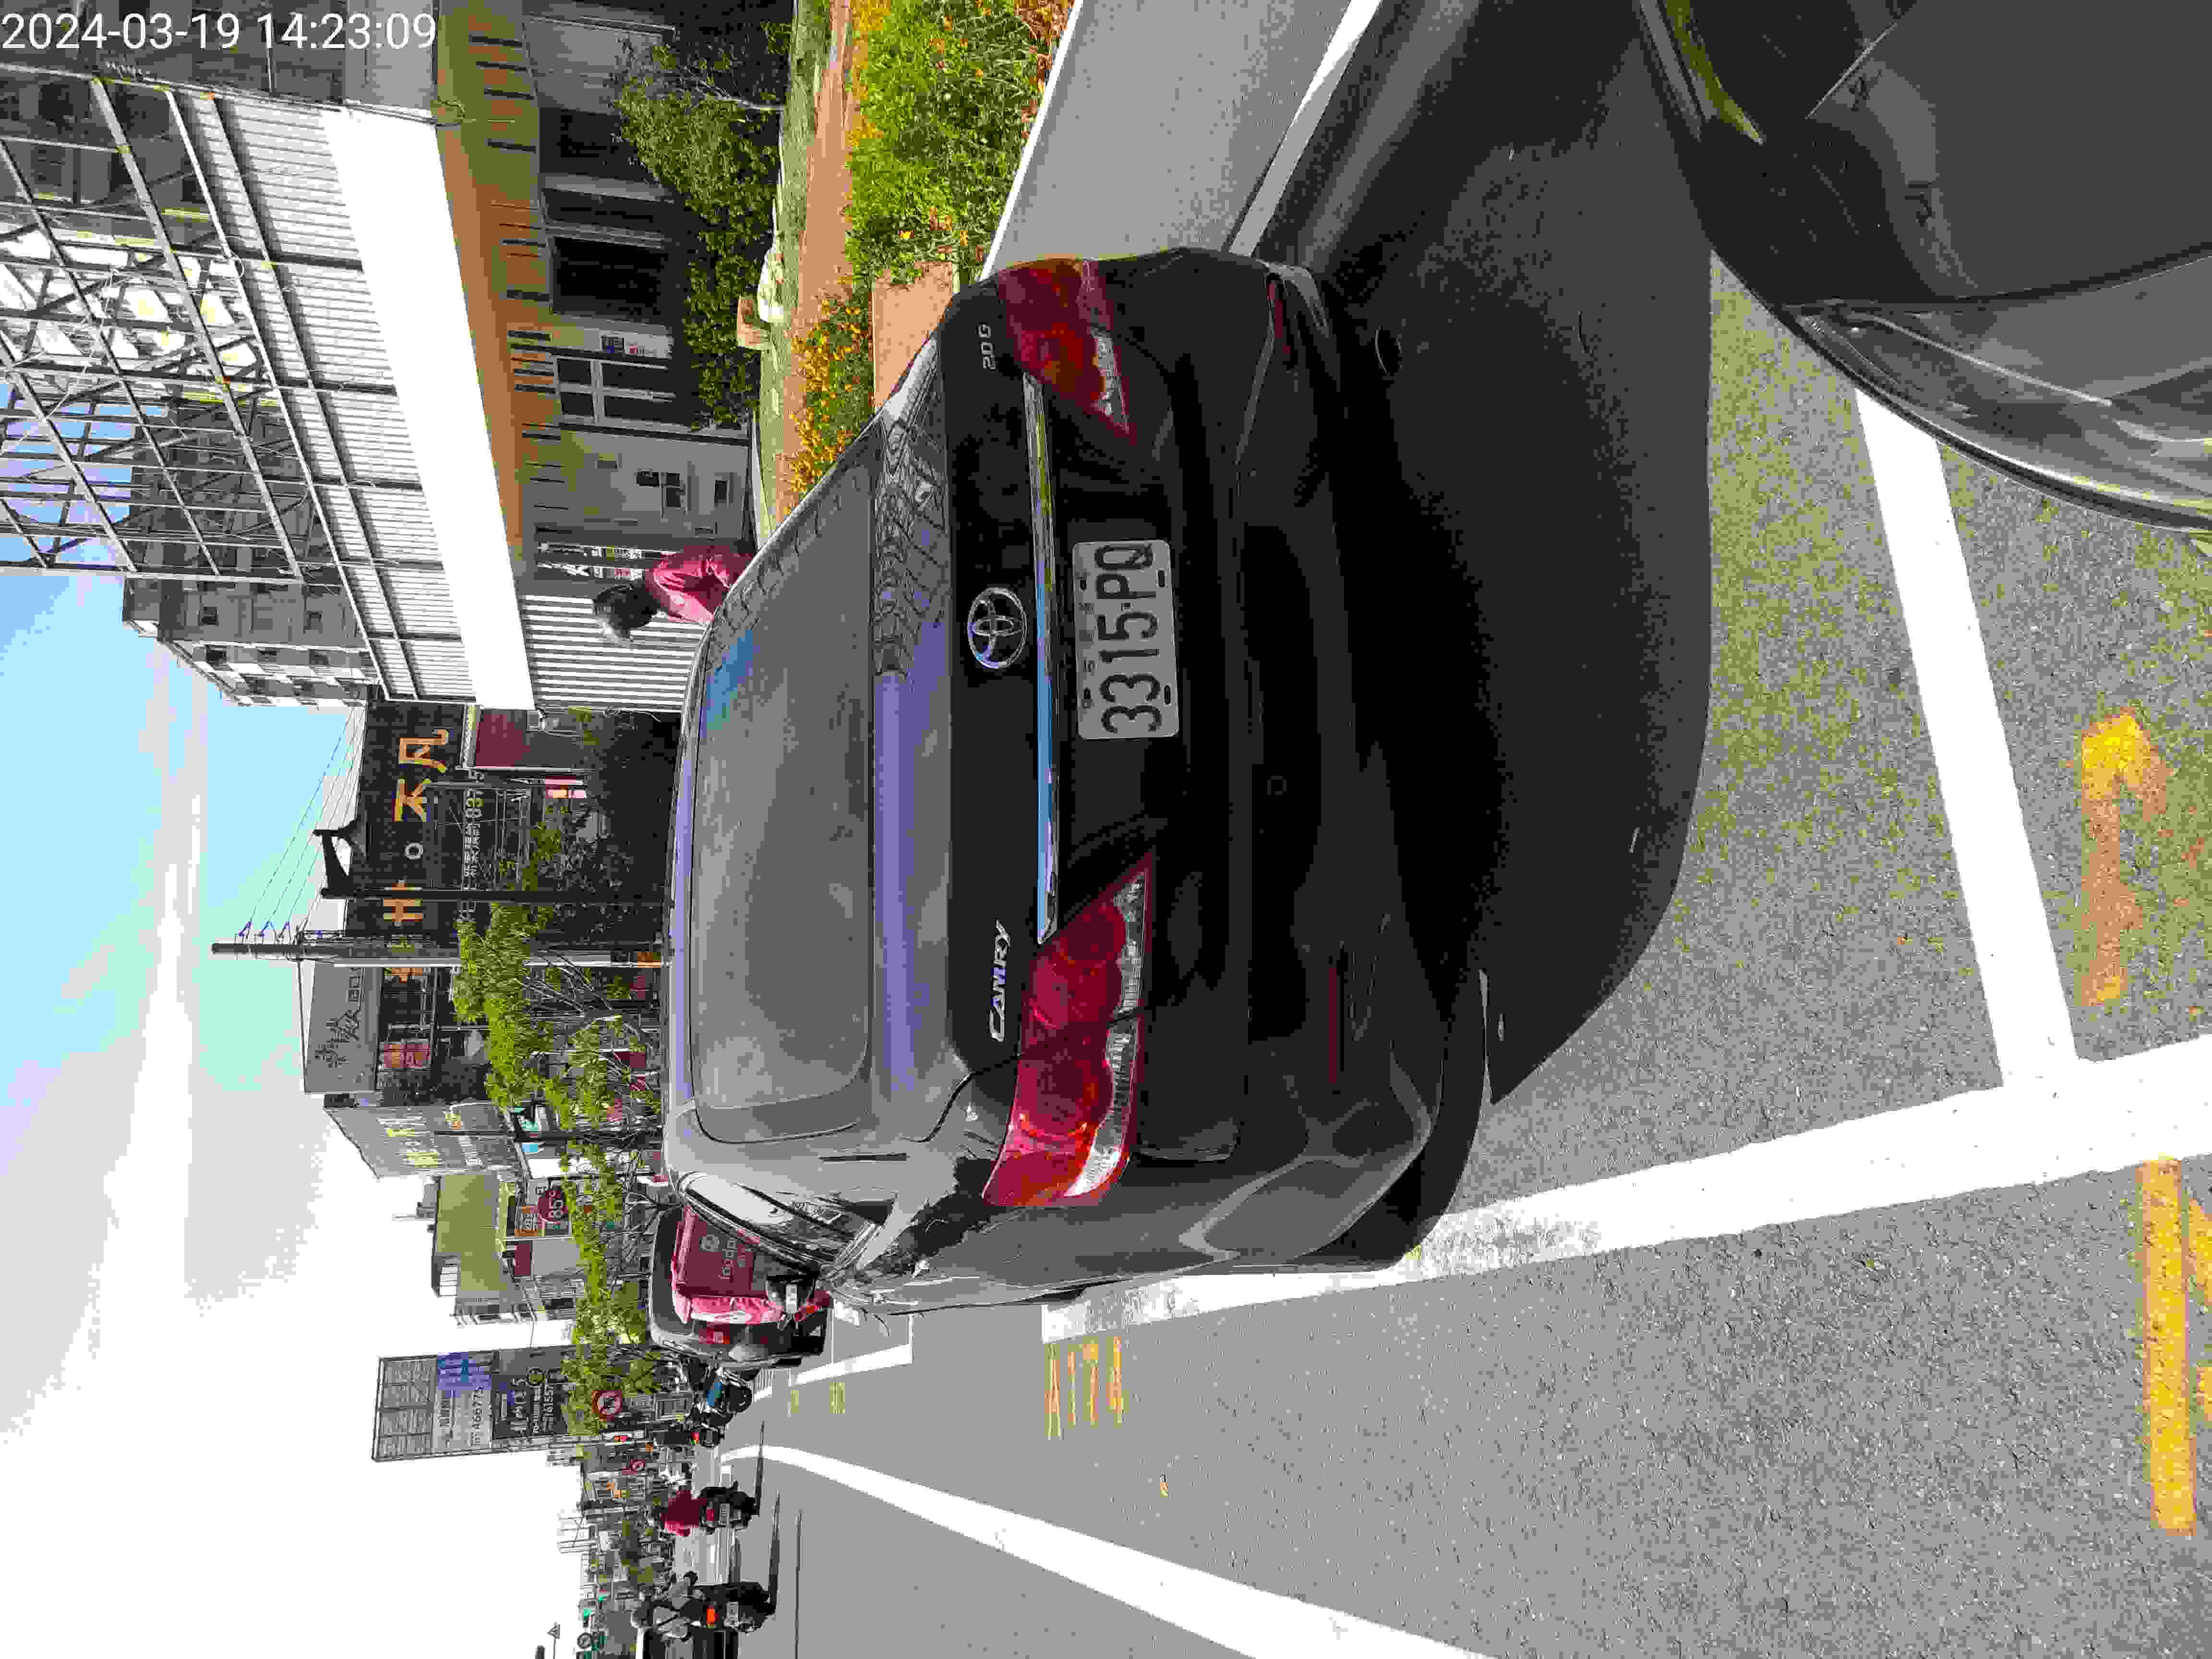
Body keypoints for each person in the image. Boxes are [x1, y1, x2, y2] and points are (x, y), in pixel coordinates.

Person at [593, 541, 756, 642]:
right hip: (755, 612)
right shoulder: (668, 610)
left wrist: (743, 593)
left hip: (759, 586)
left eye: (631, 623)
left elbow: (716, 560)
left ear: (629, 607)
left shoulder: (663, 576)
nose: (639, 625)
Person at [657, 1482, 758, 1537]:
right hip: (704, 1504)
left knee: (713, 1528)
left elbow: (686, 1534)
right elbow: (687, 1492)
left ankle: (737, 1524)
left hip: (703, 1524)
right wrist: (681, 1490)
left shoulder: (670, 1527)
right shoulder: (672, 1503)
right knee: (707, 1491)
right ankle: (730, 1491)